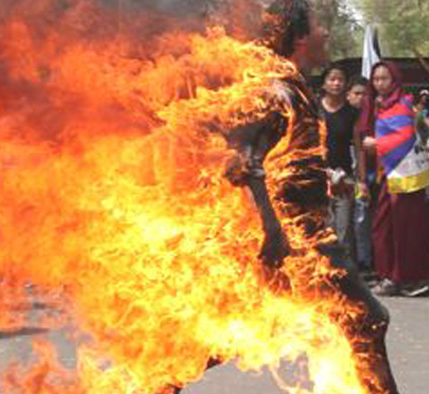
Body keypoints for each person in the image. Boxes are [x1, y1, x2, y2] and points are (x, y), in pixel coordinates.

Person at [168, 1, 399, 393]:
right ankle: (159, 378)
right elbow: (244, 162)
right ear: (301, 36)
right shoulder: (277, 90)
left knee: (235, 331)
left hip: (299, 236)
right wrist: (274, 233)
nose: (326, 33)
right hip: (300, 242)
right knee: (367, 320)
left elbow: (283, 160)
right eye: (320, 26)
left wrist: (327, 179)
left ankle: (158, 380)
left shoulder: (293, 86)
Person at [356, 61, 429, 297]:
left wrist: (378, 144)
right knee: (383, 227)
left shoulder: (405, 104)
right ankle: (389, 275)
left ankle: (408, 278)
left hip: (407, 177)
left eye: (384, 78)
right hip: (387, 176)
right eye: (376, 79)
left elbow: (406, 137)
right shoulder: (376, 105)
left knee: (405, 229)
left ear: (394, 80)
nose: (379, 84)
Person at [319, 65, 358, 255]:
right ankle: (325, 275)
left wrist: (360, 179)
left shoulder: (351, 113)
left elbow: (358, 145)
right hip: (318, 177)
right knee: (324, 229)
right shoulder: (313, 109)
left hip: (344, 178)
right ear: (324, 83)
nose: (336, 83)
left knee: (343, 230)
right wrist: (322, 170)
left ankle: (345, 276)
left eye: (340, 79)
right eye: (332, 79)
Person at [347, 77, 377, 276]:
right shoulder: (340, 115)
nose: (361, 98)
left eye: (365, 94)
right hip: (341, 175)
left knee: (363, 220)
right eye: (356, 93)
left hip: (368, 176)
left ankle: (366, 262)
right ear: (348, 95)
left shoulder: (374, 118)